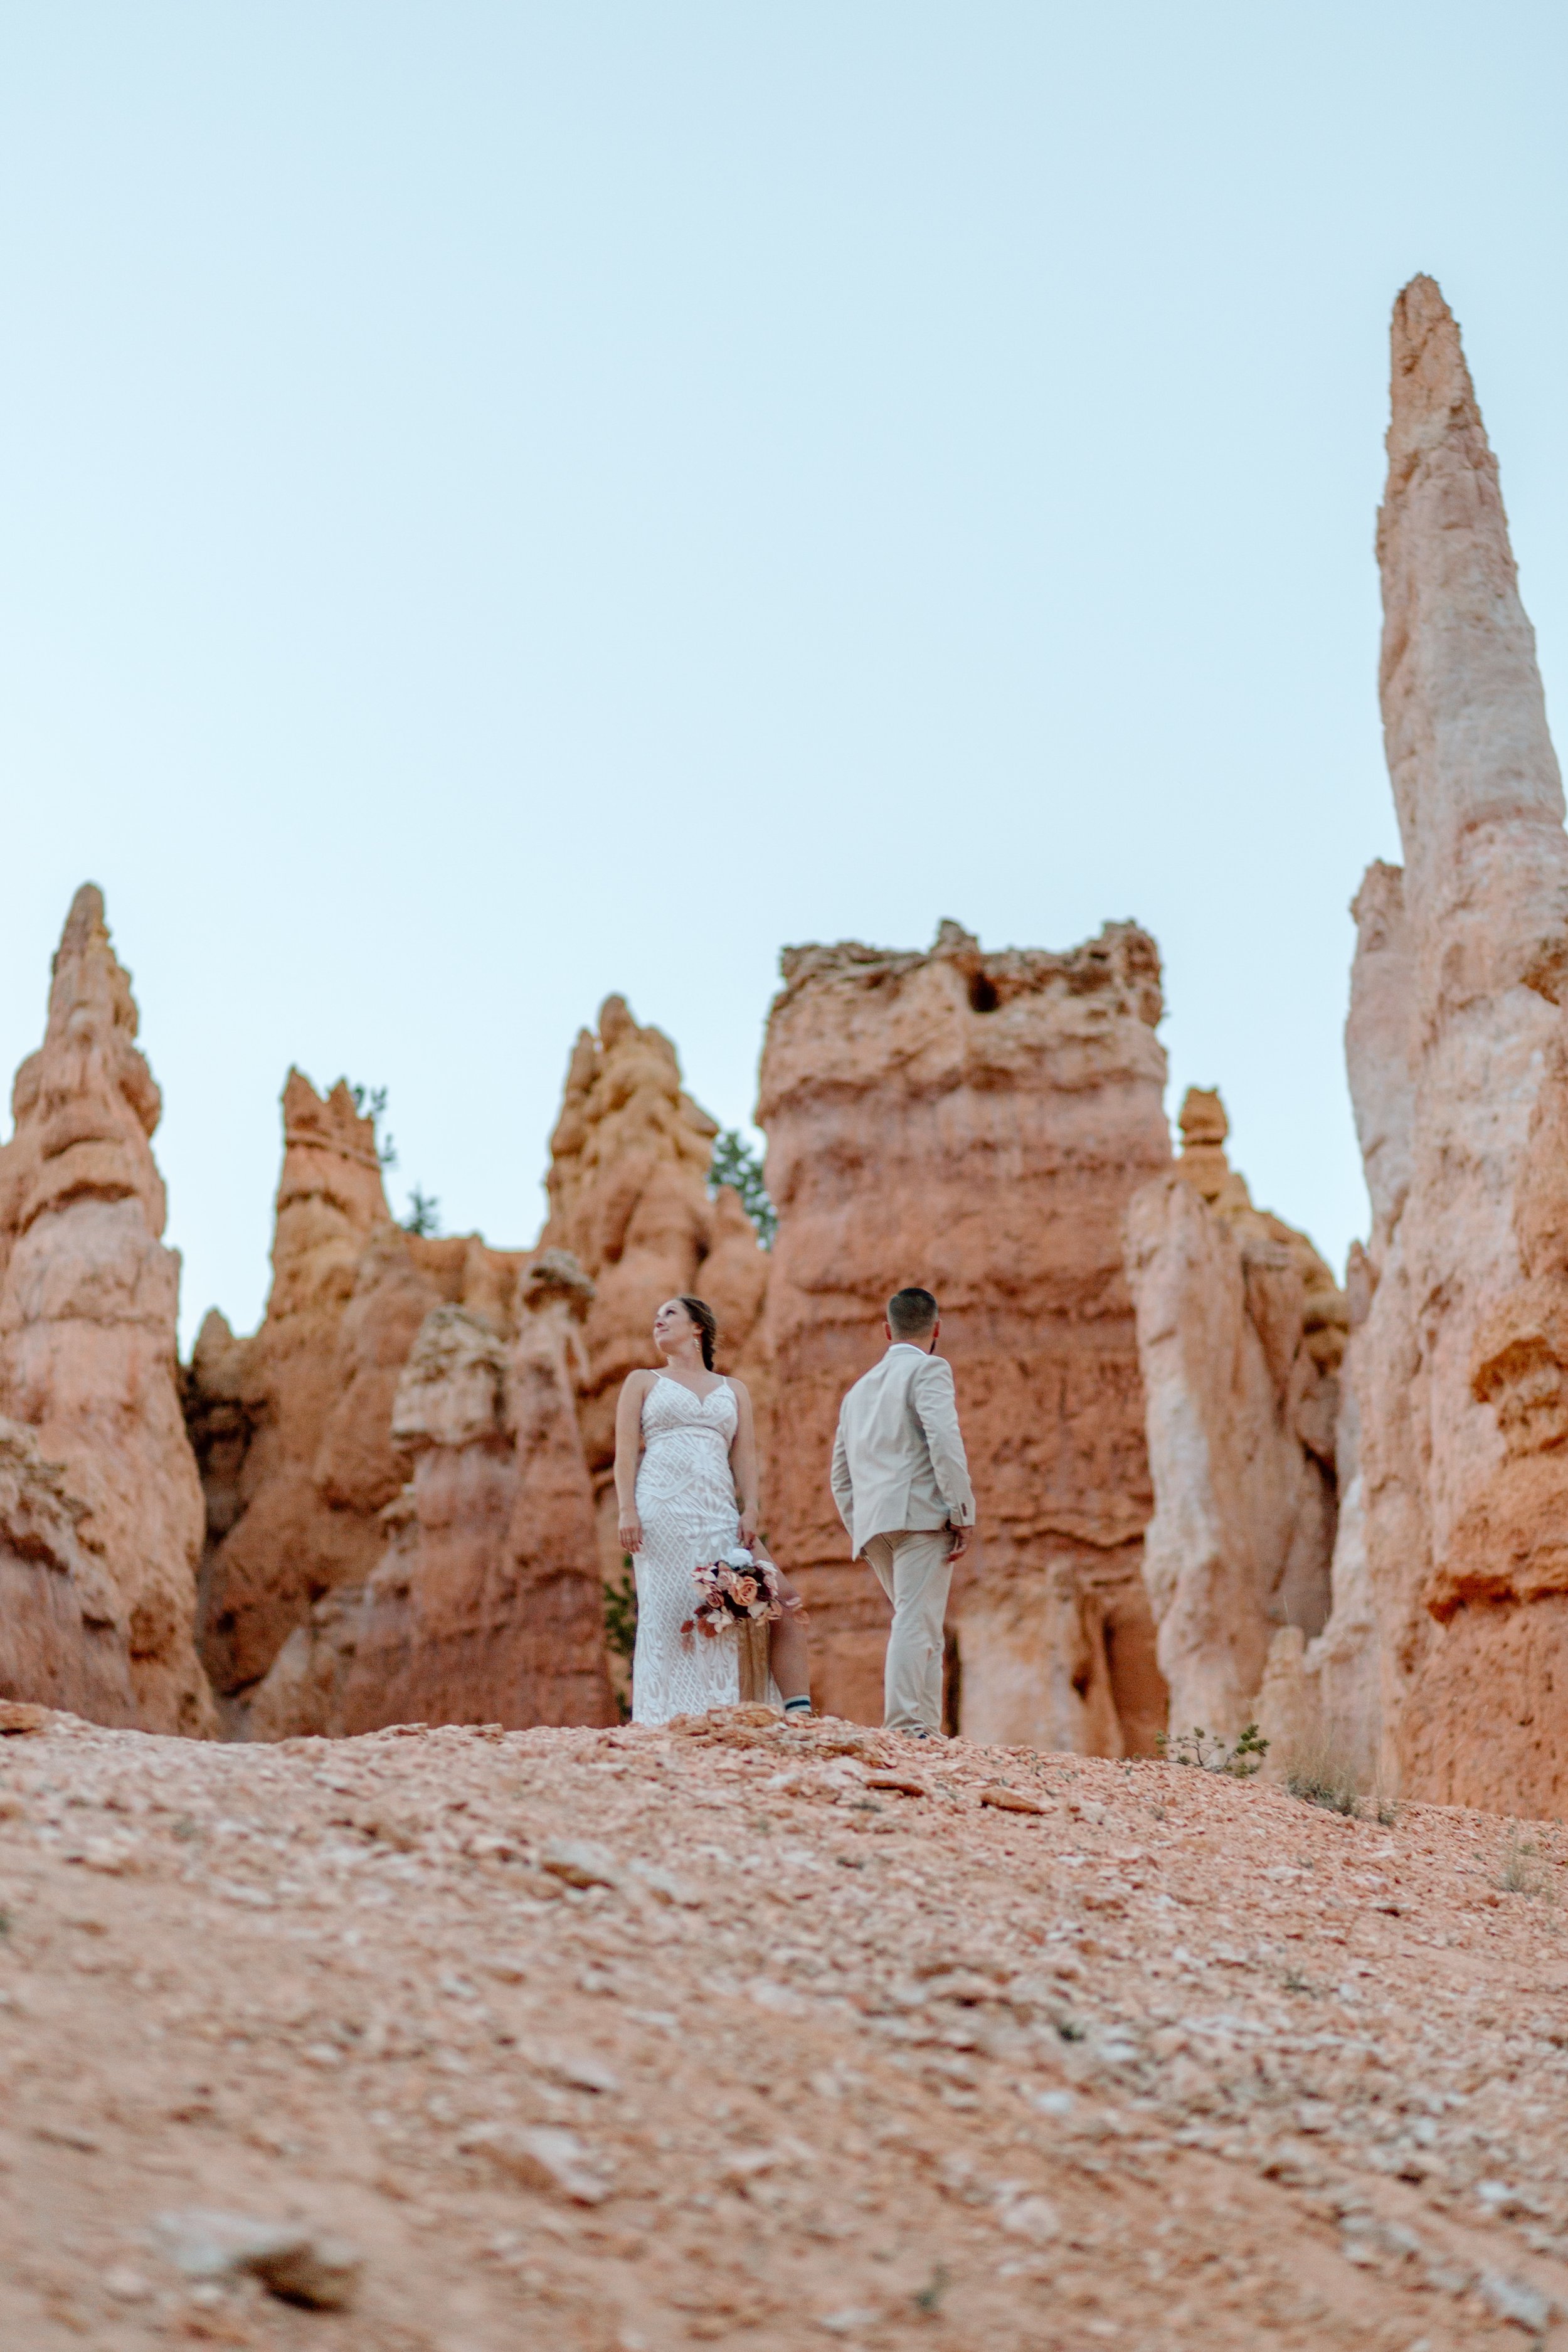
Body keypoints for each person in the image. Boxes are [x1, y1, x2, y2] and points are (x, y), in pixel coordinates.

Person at [614, 1295, 810, 1726]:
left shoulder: (733, 1389)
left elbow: (745, 1457)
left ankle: (776, 1713)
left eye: (669, 1314)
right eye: (655, 1316)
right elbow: (626, 1452)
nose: (658, 1321)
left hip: (719, 1513)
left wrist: (751, 1508)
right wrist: (627, 1509)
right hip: (661, 1510)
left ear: (698, 1327)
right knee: (673, 1612)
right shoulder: (643, 1381)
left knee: (776, 1600)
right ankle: (672, 1716)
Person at [830, 1286, 975, 1739]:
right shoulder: (931, 1368)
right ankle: (906, 1727)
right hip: (919, 1519)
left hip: (875, 1526)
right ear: (936, 1330)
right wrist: (962, 1509)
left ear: (886, 1329)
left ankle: (926, 1728)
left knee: (922, 1622)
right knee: (915, 1621)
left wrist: (860, 1526)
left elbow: (840, 1473)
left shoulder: (858, 1391)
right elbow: (945, 1441)